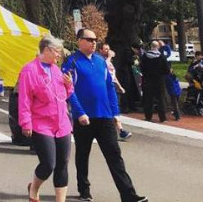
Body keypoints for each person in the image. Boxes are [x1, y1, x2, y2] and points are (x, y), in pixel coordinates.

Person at [63, 28, 147, 202]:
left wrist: (115, 112)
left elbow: (110, 87)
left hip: (105, 116)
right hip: (84, 118)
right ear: (79, 40)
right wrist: (79, 112)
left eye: (95, 39)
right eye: (89, 39)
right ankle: (84, 190)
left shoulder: (101, 61)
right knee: (83, 155)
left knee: (115, 155)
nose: (94, 42)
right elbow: (69, 90)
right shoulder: (71, 62)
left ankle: (128, 194)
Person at [20, 36, 74, 202]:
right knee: (48, 164)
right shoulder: (29, 70)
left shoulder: (57, 70)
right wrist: (26, 122)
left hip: (62, 123)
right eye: (57, 51)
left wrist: (69, 84)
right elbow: (25, 99)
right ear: (47, 50)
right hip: (42, 124)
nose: (59, 55)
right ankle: (34, 188)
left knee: (62, 164)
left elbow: (66, 95)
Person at [96, 42, 132, 140]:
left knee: (114, 108)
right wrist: (109, 57)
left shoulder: (109, 62)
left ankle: (121, 130)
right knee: (104, 109)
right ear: (100, 50)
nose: (108, 51)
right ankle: (102, 130)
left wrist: (119, 86)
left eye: (109, 48)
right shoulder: (98, 59)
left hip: (110, 87)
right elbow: (102, 67)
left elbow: (112, 75)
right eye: (106, 49)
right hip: (101, 88)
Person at [139, 40, 170, 123]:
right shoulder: (161, 57)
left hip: (148, 80)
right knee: (160, 99)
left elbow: (141, 67)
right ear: (158, 47)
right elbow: (167, 70)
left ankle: (148, 116)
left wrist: (146, 74)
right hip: (159, 80)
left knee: (148, 99)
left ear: (151, 47)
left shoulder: (145, 56)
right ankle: (162, 117)